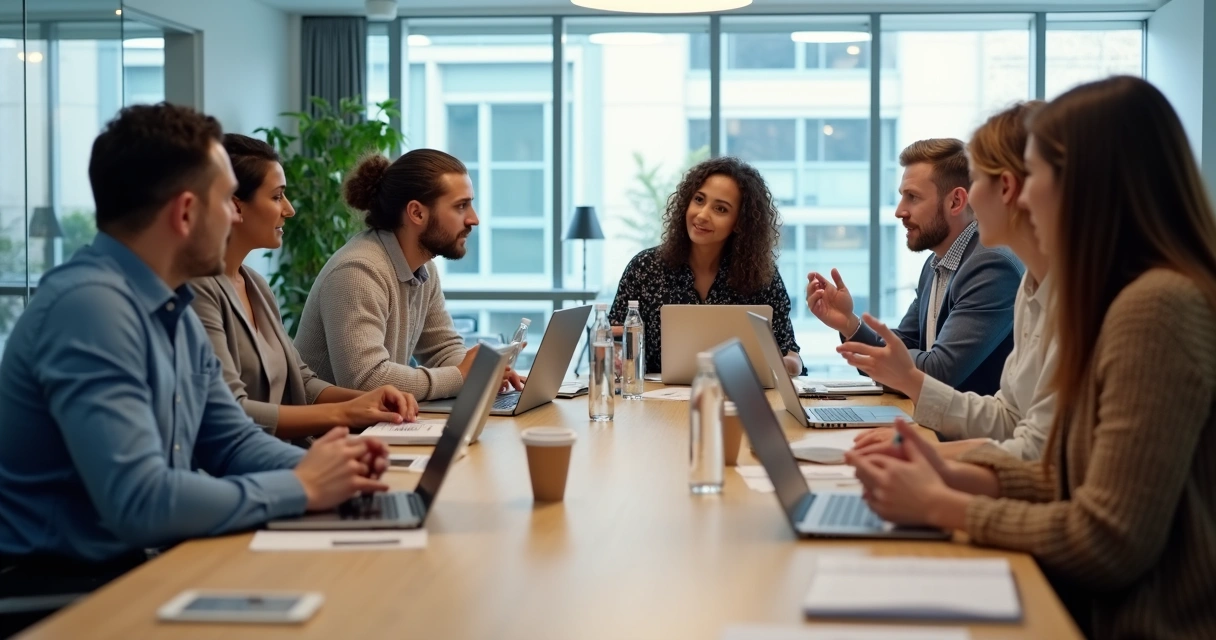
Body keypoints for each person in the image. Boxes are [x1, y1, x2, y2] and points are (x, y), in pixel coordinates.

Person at [847, 76, 1216, 639]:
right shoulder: (1109, 293)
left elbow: (1111, 539)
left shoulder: (1154, 306)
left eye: (1034, 175)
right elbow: (1063, 475)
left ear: (1083, 184)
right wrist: (946, 471)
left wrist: (946, 504)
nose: (1019, 194)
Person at [0, 104, 390, 612]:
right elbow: (140, 501)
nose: (234, 214)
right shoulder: (90, 308)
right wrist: (300, 485)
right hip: (65, 593)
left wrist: (334, 472)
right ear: (185, 213)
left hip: (144, 564)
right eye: (227, 199)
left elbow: (229, 441)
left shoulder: (171, 302)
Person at [848, 102, 1055, 461]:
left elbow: (1037, 450)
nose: (972, 196)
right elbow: (1009, 419)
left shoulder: (995, 265)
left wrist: (933, 461)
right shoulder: (1027, 287)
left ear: (1007, 188)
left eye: (978, 180)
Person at [191, 134, 418, 442]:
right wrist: (347, 413)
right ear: (235, 207)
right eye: (276, 196)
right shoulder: (198, 291)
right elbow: (231, 411)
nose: (289, 209)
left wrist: (368, 400)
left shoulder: (255, 284)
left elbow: (301, 380)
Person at [295, 149, 523, 401]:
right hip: (328, 437)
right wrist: (460, 376)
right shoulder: (358, 272)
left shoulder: (423, 267)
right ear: (416, 213)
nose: (474, 219)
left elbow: (442, 350)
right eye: (461, 206)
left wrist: (484, 372)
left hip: (377, 427)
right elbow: (365, 381)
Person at [806, 138, 1022, 396]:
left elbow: (938, 374)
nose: (899, 211)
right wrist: (849, 323)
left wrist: (914, 359)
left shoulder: (991, 266)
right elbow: (904, 346)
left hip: (963, 435)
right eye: (902, 197)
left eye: (913, 197)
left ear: (955, 202)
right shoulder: (934, 266)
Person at [609, 156, 802, 376]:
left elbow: (791, 356)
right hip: (654, 403)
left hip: (734, 400)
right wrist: (617, 357)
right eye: (699, 200)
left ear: (740, 222)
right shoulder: (644, 268)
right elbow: (614, 340)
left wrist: (779, 367)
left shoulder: (761, 277)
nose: (702, 215)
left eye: (720, 209)